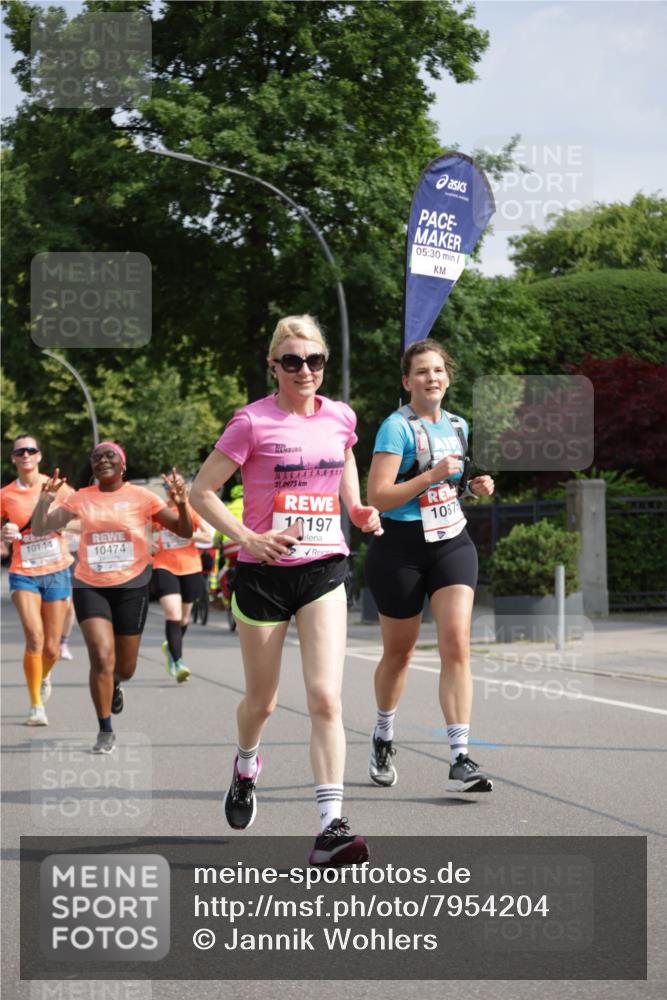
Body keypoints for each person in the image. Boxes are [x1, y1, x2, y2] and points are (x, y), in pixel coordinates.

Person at [190, 314, 382, 866]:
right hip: (262, 573)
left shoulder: (340, 416)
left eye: (315, 361)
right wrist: (250, 536)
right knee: (263, 702)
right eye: (293, 361)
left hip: (323, 565)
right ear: (273, 366)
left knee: (326, 697)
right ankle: (246, 763)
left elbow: (343, 455)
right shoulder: (250, 422)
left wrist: (356, 507)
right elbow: (204, 492)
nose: (305, 370)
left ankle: (330, 826)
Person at [364, 339, 495, 794]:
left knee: (457, 642)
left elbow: (453, 484)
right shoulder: (395, 428)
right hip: (399, 548)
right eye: (421, 372)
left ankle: (460, 755)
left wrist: (474, 486)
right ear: (407, 381)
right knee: (399, 655)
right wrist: (431, 476)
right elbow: (378, 496)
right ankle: (383, 734)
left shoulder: (459, 425)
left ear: (448, 377)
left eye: (438, 370)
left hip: (451, 543)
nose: (431, 378)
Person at [32, 442, 192, 753]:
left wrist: (183, 504)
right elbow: (40, 528)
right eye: (96, 457)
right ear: (92, 467)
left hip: (132, 586)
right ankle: (105, 728)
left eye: (110, 456)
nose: (103, 460)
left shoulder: (143, 497)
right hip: (89, 584)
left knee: (125, 667)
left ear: (123, 465)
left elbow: (184, 531)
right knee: (101, 656)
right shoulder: (81, 498)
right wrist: (45, 500)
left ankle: (115, 683)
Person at [0, 434, 73, 725]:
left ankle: (43, 675)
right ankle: (35, 706)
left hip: (56, 570)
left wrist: (60, 523)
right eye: (20, 452)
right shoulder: (5, 495)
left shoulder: (59, 487)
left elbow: (82, 516)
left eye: (31, 450)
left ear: (39, 455)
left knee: (52, 648)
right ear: (13, 459)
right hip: (24, 572)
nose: (26, 455)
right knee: (35, 638)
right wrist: (3, 536)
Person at [153, 472, 211, 683]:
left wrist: (187, 533)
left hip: (190, 566)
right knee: (173, 613)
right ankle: (178, 663)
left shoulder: (191, 509)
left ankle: (171, 646)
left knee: (184, 619)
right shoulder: (160, 511)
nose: (172, 489)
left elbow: (208, 536)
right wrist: (146, 543)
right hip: (164, 565)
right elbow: (143, 530)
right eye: (168, 486)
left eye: (176, 485)